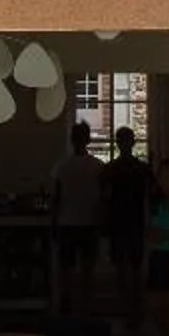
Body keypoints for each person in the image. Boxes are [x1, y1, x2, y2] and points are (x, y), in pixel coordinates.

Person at [99, 126, 160, 324]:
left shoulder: (110, 169)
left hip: (120, 222)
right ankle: (135, 308)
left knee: (123, 269)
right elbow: (153, 196)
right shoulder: (141, 169)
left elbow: (104, 199)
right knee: (134, 268)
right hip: (134, 221)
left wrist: (104, 222)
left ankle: (127, 307)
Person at [48, 121, 102, 314]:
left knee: (67, 269)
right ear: (88, 139)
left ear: (72, 140)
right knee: (87, 269)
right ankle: (86, 304)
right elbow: (102, 197)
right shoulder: (97, 166)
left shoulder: (62, 166)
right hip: (89, 222)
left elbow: (56, 198)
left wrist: (53, 223)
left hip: (67, 222)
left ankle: (67, 302)